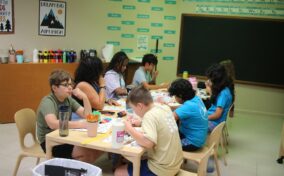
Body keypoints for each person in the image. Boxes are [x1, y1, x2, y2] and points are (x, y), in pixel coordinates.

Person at [114, 85, 183, 176]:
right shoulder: (164, 107)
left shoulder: (149, 116)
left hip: (162, 169)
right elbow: (159, 122)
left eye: (134, 109)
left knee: (118, 172)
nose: (134, 112)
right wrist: (141, 122)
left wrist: (128, 128)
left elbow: (148, 143)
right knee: (137, 159)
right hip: (175, 163)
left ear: (139, 106)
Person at [36, 69, 101, 162]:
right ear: (54, 88)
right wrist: (80, 124)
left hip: (65, 136)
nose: (70, 88)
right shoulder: (48, 101)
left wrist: (85, 97)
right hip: (50, 141)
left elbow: (88, 116)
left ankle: (76, 168)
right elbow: (53, 124)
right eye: (65, 85)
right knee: (87, 152)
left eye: (70, 84)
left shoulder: (68, 99)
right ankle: (72, 170)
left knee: (94, 148)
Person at [168, 78, 208, 151]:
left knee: (164, 142)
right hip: (199, 138)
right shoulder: (196, 99)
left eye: (175, 96)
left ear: (180, 95)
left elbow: (169, 119)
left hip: (192, 142)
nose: (175, 98)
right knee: (172, 131)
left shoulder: (189, 106)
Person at [205, 63, 235, 132]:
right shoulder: (225, 89)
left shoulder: (223, 94)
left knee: (189, 124)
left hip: (214, 123)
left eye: (211, 79)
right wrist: (209, 88)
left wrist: (204, 118)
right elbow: (216, 98)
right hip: (213, 120)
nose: (209, 81)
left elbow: (217, 115)